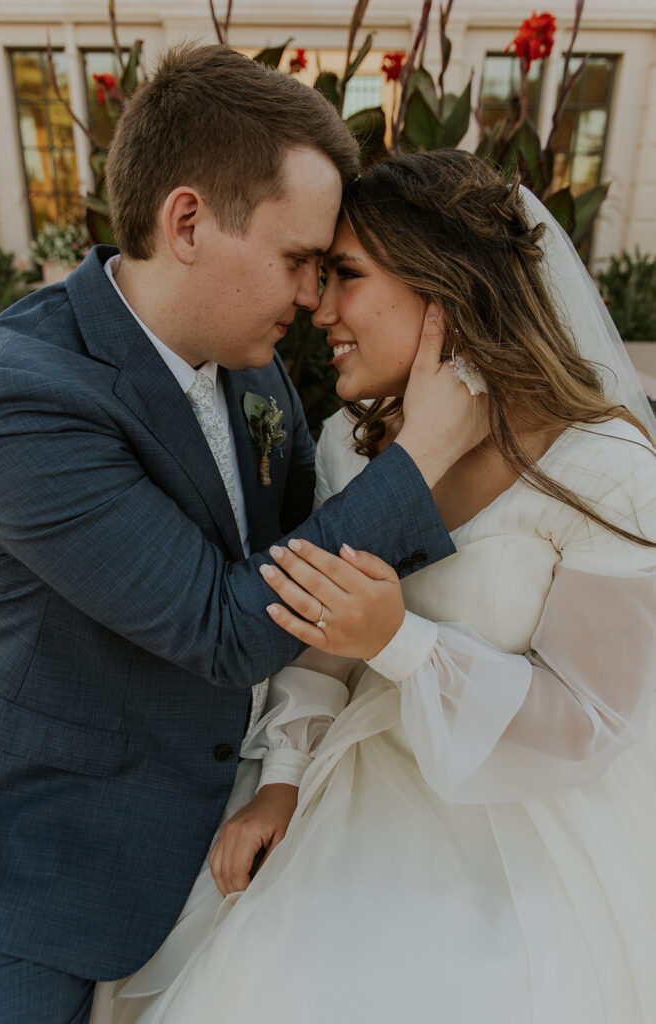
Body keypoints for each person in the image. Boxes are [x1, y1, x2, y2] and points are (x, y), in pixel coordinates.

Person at [0, 49, 485, 1023]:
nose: (309, 298)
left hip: (227, 841)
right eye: (297, 261)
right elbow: (219, 624)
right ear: (188, 222)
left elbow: (294, 541)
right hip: (42, 884)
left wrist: (286, 771)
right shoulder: (15, 394)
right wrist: (418, 460)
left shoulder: (251, 370)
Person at [103, 151, 656, 1024]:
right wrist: (282, 779)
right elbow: (324, 639)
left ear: (445, 288)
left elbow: (587, 720)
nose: (317, 308)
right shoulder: (351, 447)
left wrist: (400, 642)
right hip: (360, 783)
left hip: (531, 820)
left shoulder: (605, 470)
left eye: (345, 277)